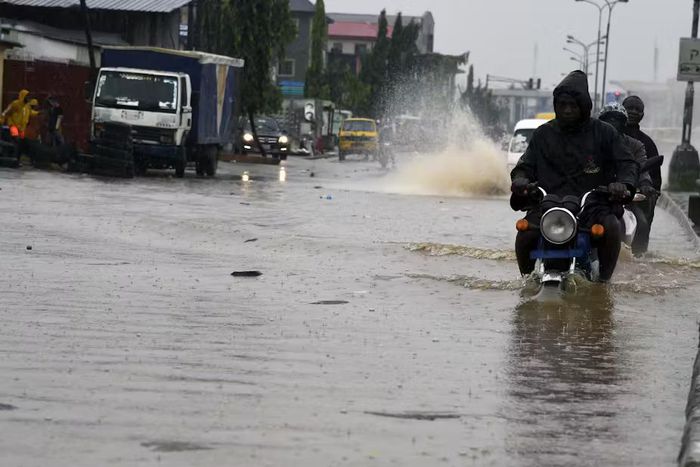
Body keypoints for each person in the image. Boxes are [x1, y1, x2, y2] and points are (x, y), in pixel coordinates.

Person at [510, 70, 638, 282]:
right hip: (549, 206)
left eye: (573, 105)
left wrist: (623, 184)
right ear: (556, 106)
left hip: (592, 206)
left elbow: (627, 163)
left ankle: (603, 285)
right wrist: (520, 179)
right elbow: (525, 165)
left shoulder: (604, 133)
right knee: (524, 233)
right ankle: (527, 281)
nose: (568, 110)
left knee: (612, 228)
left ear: (584, 106)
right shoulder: (543, 134)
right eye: (563, 105)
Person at [598, 103, 656, 256]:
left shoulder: (635, 145)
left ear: (624, 123)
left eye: (617, 120)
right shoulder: (591, 143)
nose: (613, 123)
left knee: (642, 224)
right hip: (594, 196)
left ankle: (638, 260)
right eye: (608, 119)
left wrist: (645, 184)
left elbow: (641, 169)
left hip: (624, 197)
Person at [622, 95, 661, 251]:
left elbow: (655, 176)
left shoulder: (647, 143)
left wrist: (650, 190)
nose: (633, 112)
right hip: (609, 193)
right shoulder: (607, 136)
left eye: (637, 109)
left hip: (636, 197)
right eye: (629, 108)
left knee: (642, 225)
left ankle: (639, 257)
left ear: (642, 115)